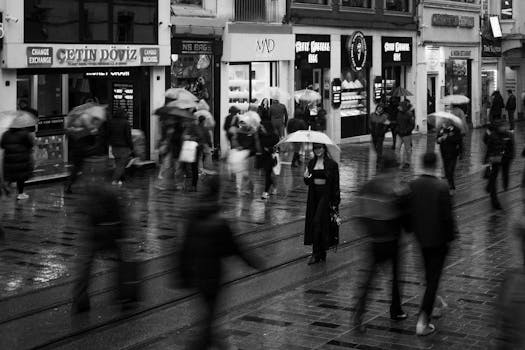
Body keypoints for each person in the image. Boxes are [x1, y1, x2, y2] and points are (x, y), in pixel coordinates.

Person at [180, 175, 261, 350]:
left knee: (209, 318)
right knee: (209, 320)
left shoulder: (192, 216)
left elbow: (184, 248)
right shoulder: (220, 222)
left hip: (197, 276)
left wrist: (182, 274)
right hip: (213, 278)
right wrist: (256, 263)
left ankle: (213, 343)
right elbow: (236, 248)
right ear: (217, 193)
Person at [354, 151, 409, 331]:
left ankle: (358, 315)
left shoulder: (367, 185)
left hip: (374, 241)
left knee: (369, 280)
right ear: (393, 167)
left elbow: (359, 213)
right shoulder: (395, 187)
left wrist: (368, 230)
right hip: (391, 240)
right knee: (395, 278)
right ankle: (396, 310)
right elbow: (403, 214)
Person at [71, 158, 130, 314]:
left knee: (84, 267)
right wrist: (123, 234)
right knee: (120, 263)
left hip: (91, 234)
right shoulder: (112, 191)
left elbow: (80, 213)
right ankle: (124, 296)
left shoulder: (84, 190)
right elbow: (122, 215)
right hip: (109, 234)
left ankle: (80, 299)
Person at [409, 152, 456, 336]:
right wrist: (452, 239)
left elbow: (409, 212)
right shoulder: (441, 186)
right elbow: (448, 217)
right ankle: (423, 320)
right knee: (433, 280)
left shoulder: (413, 184)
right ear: (436, 165)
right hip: (438, 240)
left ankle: (434, 303)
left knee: (429, 277)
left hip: (421, 239)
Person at [303, 143, 340, 265]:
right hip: (314, 196)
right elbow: (308, 182)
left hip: (326, 195)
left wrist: (335, 202)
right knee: (318, 223)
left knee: (318, 221)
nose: (317, 150)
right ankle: (321, 252)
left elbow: (335, 184)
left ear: (324, 148)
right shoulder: (311, 163)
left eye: (320, 148)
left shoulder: (332, 164)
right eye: (315, 148)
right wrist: (306, 177)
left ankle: (315, 253)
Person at [483, 120, 515, 210]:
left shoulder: (509, 135)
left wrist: (507, 158)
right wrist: (487, 161)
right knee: (493, 180)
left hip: (504, 160)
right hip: (494, 160)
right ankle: (494, 201)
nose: (505, 128)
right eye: (503, 126)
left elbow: (511, 149)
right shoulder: (493, 135)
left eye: (505, 126)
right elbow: (488, 148)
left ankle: (504, 185)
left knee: (504, 174)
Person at [1, 126, 35, 200]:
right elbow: (30, 144)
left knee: (11, 174)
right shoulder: (25, 133)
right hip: (21, 158)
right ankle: (20, 193)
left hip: (9, 159)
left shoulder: (5, 134)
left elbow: (2, 145)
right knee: (21, 176)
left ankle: (6, 186)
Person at [107, 108, 133, 185]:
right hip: (124, 147)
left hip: (114, 147)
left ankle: (121, 179)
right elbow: (128, 137)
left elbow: (108, 134)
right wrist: (131, 147)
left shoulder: (111, 122)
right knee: (121, 165)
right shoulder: (126, 123)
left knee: (118, 163)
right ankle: (114, 180)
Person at [437, 119, 463, 194]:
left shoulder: (456, 130)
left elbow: (459, 141)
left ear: (450, 123)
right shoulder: (441, 129)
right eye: (444, 122)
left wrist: (447, 137)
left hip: (453, 153)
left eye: (446, 122)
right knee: (446, 171)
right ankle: (448, 186)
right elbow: (437, 140)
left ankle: (452, 187)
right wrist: (440, 139)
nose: (444, 123)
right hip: (444, 153)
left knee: (450, 171)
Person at [259, 121, 280, 200]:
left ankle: (266, 192)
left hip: (272, 157)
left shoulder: (274, 136)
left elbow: (277, 147)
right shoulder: (261, 135)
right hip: (264, 157)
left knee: (269, 174)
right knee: (268, 174)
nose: (261, 128)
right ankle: (273, 186)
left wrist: (269, 149)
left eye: (263, 127)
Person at [396, 100, 415, 169]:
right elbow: (397, 122)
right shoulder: (398, 113)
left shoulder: (409, 114)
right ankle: (398, 161)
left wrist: (407, 131)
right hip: (399, 134)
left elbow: (412, 125)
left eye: (400, 106)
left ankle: (408, 162)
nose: (398, 107)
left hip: (407, 134)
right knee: (397, 148)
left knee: (408, 149)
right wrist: (397, 129)